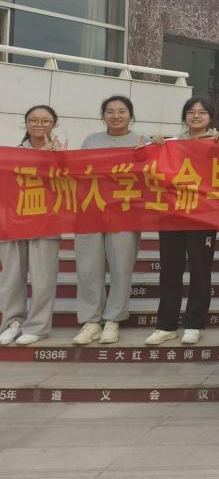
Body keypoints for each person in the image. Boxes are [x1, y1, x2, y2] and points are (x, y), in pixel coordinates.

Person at [144, 97, 219, 347]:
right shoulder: (172, 143)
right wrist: (152, 144)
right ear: (184, 116)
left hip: (203, 216)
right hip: (172, 215)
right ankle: (166, 326)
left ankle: (194, 324)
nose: (196, 116)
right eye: (191, 112)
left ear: (210, 117)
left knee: (200, 271)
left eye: (202, 112)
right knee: (169, 271)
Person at [72, 96, 145, 346]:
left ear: (131, 115)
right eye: (110, 111)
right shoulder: (91, 141)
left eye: (122, 111)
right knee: (88, 268)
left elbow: (154, 175)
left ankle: (113, 319)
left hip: (125, 213)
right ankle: (91, 321)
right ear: (103, 115)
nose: (116, 116)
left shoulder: (142, 141)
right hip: (91, 212)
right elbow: (77, 173)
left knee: (120, 267)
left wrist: (153, 149)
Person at [0, 106, 64, 346]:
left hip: (46, 223)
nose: (39, 124)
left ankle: (38, 326)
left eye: (46, 120)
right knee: (12, 277)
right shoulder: (10, 155)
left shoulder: (63, 154)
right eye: (33, 120)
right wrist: (37, 159)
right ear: (26, 123)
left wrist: (58, 160)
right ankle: (12, 322)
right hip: (12, 223)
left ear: (54, 124)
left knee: (43, 278)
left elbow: (68, 188)